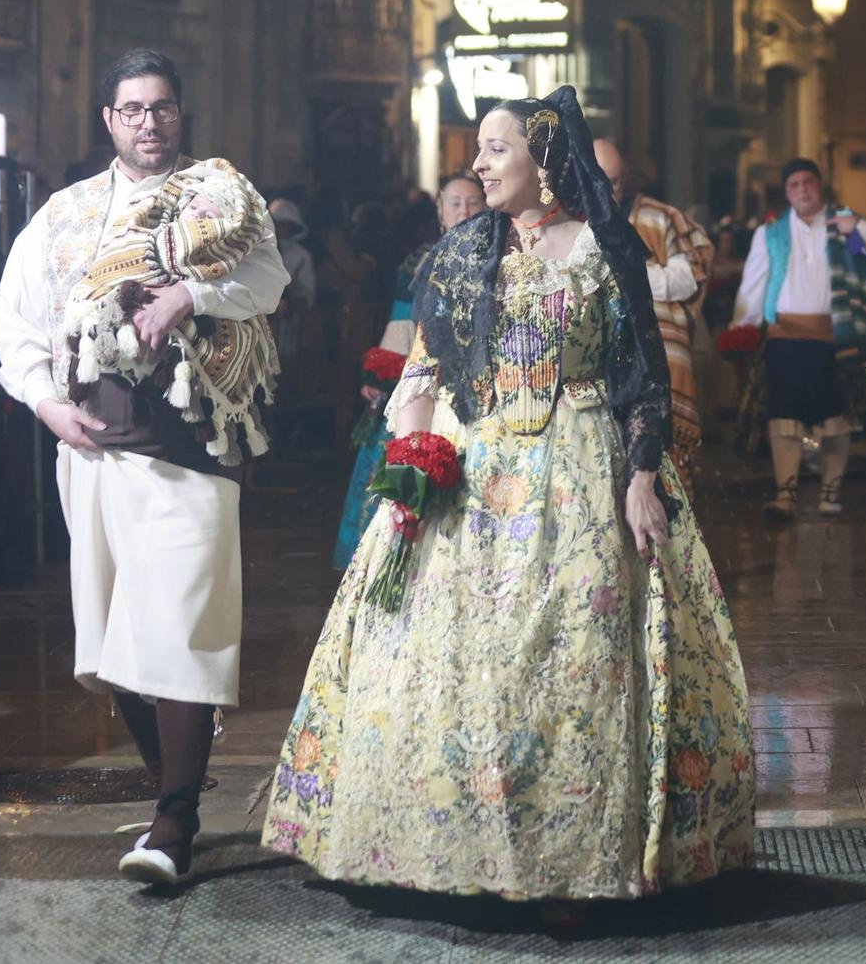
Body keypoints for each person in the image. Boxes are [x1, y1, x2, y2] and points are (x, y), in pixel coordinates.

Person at [263, 87, 753, 901]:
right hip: (475, 479)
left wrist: (641, 478)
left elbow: (640, 375)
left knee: (575, 661)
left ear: (545, 159)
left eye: (496, 149)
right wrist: (410, 468)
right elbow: (425, 366)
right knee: (463, 663)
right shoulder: (461, 254)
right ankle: (446, 847)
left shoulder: (605, 249)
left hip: (583, 468)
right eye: (480, 151)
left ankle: (576, 854)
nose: (479, 165)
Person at [0, 47, 289, 886]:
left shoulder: (219, 196)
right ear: (108, 121)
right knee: (119, 642)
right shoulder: (65, 213)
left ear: (180, 115)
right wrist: (48, 404)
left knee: (180, 629)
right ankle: (176, 794)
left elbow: (268, 276)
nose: (148, 122)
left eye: (161, 107)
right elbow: (14, 325)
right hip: (92, 447)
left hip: (194, 447)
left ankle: (175, 821)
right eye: (132, 109)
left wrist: (191, 294)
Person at [729, 158, 866, 518]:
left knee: (835, 417)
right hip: (784, 339)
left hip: (836, 337)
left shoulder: (846, 225)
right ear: (787, 192)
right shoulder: (771, 232)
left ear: (821, 185)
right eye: (794, 185)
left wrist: (858, 227)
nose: (803, 189)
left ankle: (830, 490)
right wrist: (741, 327)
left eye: (808, 181)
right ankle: (785, 492)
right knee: (783, 416)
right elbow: (754, 281)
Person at [331, 173, 484, 568]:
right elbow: (402, 324)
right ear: (439, 209)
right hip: (423, 377)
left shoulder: (499, 256)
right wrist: (383, 374)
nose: (464, 211)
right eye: (455, 203)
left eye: (473, 202)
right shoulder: (419, 262)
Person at [593, 139, 716, 483]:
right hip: (595, 368)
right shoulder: (567, 223)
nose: (605, 190)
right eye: (597, 180)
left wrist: (626, 272)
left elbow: (689, 277)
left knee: (666, 469)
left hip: (657, 354)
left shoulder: (659, 217)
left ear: (626, 178)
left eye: (613, 182)